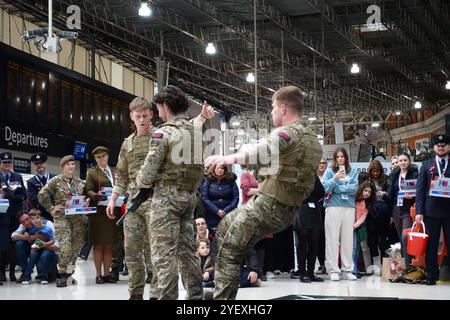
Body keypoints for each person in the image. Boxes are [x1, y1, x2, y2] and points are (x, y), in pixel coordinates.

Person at [204, 85, 322, 299]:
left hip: (270, 205)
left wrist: (228, 158)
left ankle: (223, 298)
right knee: (226, 227)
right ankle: (225, 289)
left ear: (284, 108)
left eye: (274, 107)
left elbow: (263, 149)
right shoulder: (312, 139)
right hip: (286, 208)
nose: (272, 112)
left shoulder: (289, 133)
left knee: (229, 246)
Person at [106, 95, 213, 300]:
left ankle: (158, 295)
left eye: (145, 115)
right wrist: (114, 199)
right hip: (135, 205)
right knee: (133, 253)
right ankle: (136, 293)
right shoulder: (127, 144)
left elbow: (153, 170)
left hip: (158, 201)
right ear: (132, 117)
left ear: (152, 114)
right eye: (138, 116)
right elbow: (121, 175)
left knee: (160, 255)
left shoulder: (163, 134)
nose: (142, 120)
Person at [135, 85, 209, 300]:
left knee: (163, 256)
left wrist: (141, 181)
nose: (158, 112)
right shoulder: (196, 133)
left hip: (165, 201)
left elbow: (147, 174)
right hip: (188, 198)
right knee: (187, 253)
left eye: (158, 107)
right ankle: (195, 298)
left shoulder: (163, 133)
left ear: (165, 106)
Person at [38, 155, 87, 287]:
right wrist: (51, 208)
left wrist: (87, 202)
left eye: (72, 164)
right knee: (65, 246)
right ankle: (62, 274)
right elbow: (42, 194)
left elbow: (87, 195)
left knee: (76, 247)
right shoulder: (56, 181)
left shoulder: (80, 182)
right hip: (62, 217)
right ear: (62, 167)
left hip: (77, 219)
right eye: (68, 164)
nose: (71, 166)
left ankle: (70, 273)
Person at [416, 133, 450, 285]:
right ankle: (431, 275)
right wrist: (419, 212)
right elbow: (420, 191)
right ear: (434, 147)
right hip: (431, 211)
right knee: (432, 244)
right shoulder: (426, 165)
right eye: (438, 145)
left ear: (448, 147)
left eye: (444, 145)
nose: (441, 148)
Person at [322, 147, 358, 281]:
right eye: (338, 157)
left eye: (342, 156)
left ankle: (347, 269)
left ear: (346, 158)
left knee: (348, 239)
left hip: (349, 207)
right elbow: (325, 188)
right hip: (333, 207)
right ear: (335, 159)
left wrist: (337, 189)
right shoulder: (329, 172)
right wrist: (335, 179)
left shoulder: (353, 171)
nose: (340, 159)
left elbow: (354, 188)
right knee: (332, 239)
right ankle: (332, 270)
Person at [85, 146, 120, 284]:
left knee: (109, 244)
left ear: (108, 156)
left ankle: (107, 274)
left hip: (113, 212)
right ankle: (98, 274)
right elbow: (88, 190)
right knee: (98, 244)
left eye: (103, 156)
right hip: (98, 213)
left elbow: (121, 187)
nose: (101, 159)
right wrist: (95, 196)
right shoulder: (92, 172)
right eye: (98, 157)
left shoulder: (115, 172)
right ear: (95, 159)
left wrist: (124, 194)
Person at [386, 153, 418, 267]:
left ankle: (410, 265)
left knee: (406, 237)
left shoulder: (415, 174)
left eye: (405, 160)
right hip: (396, 208)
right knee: (400, 237)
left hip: (408, 208)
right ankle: (405, 264)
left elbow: (419, 192)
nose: (403, 162)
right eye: (400, 161)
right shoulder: (394, 175)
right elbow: (391, 194)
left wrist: (412, 197)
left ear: (409, 161)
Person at [291, 175, 325, 283]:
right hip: (301, 210)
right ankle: (302, 273)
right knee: (302, 243)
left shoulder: (313, 176)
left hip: (314, 209)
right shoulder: (295, 174)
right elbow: (294, 193)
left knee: (314, 243)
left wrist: (309, 196)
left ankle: (311, 273)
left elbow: (321, 192)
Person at [0, 151, 27, 282]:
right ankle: (1, 273)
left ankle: (12, 273)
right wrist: (15, 197)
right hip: (2, 216)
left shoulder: (18, 177)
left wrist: (9, 195)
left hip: (15, 216)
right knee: (2, 246)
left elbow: (23, 196)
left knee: (13, 245)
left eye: (9, 162)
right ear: (0, 163)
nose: (7, 165)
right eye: (4, 162)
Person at [11, 211, 58, 284]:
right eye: (23, 222)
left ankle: (48, 273)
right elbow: (13, 236)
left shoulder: (48, 225)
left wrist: (43, 245)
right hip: (34, 251)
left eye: (27, 219)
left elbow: (56, 247)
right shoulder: (25, 226)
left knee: (44, 259)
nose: (26, 223)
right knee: (19, 244)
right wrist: (29, 237)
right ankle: (26, 274)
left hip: (47, 251)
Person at [366, 159, 391, 274]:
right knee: (372, 240)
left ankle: (385, 265)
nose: (375, 173)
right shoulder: (367, 180)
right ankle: (376, 263)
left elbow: (391, 196)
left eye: (377, 171)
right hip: (371, 214)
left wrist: (385, 194)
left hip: (384, 214)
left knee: (383, 240)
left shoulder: (386, 179)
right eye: (373, 171)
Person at [201, 164, 239, 232]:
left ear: (225, 170)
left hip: (228, 213)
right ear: (214, 169)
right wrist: (216, 210)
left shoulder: (231, 180)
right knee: (213, 235)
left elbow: (236, 197)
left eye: (222, 168)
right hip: (212, 214)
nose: (220, 170)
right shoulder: (208, 180)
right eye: (218, 168)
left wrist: (226, 210)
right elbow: (205, 198)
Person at [353, 181, 376, 277]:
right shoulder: (354, 198)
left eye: (369, 192)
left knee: (357, 247)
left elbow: (363, 216)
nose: (367, 193)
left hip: (357, 227)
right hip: (349, 225)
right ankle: (353, 269)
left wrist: (355, 225)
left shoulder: (367, 203)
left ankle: (355, 269)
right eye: (365, 190)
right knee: (353, 248)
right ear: (361, 190)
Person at [27, 153, 55, 222]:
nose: (39, 165)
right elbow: (35, 199)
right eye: (36, 164)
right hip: (41, 216)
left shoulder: (55, 178)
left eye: (41, 163)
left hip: (56, 213)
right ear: (34, 166)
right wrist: (50, 208)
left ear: (46, 164)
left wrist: (54, 208)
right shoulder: (31, 182)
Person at [315, 158, 328, 275]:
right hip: (315, 210)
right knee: (317, 237)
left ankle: (327, 264)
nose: (321, 165)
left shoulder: (329, 176)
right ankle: (320, 264)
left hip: (328, 209)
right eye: (319, 163)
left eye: (324, 163)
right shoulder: (312, 178)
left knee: (326, 237)